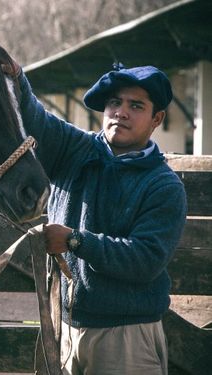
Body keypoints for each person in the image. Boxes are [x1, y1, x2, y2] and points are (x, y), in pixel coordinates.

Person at [12, 62, 187, 375]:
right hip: (66, 328)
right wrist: (16, 76)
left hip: (126, 335)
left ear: (156, 119)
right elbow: (33, 118)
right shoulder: (74, 150)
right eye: (114, 102)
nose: (121, 112)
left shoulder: (163, 185)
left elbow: (145, 258)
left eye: (136, 106)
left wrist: (74, 240)